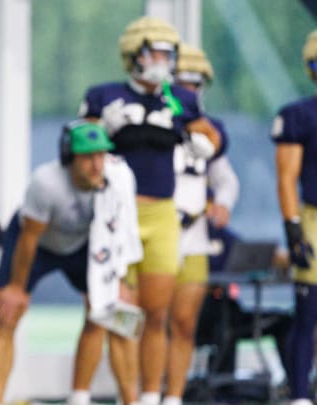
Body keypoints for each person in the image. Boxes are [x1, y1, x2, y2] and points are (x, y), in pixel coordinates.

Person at [77, 16, 221, 405]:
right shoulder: (104, 95)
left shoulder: (179, 98)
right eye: (156, 52)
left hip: (162, 214)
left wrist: (205, 142)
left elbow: (212, 135)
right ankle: (129, 398)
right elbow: (73, 149)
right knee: (121, 313)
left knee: (157, 314)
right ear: (135, 55)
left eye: (168, 53)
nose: (163, 60)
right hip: (116, 214)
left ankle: (157, 396)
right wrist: (100, 131)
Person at [0, 120, 144, 405]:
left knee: (111, 312)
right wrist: (17, 288)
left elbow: (119, 232)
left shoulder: (117, 181)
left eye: (101, 155)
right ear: (70, 158)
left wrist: (117, 279)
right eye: (87, 157)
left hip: (84, 245)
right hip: (38, 243)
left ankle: (86, 397)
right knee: (8, 314)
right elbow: (29, 240)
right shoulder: (46, 183)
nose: (97, 165)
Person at [162, 43, 239, 405]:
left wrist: (221, 203)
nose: (188, 92)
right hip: (156, 227)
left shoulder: (209, 130)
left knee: (183, 322)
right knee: (151, 319)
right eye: (182, 83)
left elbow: (226, 179)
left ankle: (173, 396)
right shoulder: (154, 116)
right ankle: (146, 392)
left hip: (192, 232)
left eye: (195, 85)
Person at [271, 28, 317, 405]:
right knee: (309, 310)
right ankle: (300, 395)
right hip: (314, 216)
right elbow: (286, 177)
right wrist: (294, 231)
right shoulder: (299, 115)